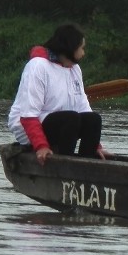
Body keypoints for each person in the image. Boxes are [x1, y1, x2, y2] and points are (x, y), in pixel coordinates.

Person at [8, 24, 107, 166]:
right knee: (71, 118)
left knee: (93, 119)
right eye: (81, 48)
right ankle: (64, 166)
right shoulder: (38, 66)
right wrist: (41, 146)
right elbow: (28, 115)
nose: (83, 53)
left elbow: (83, 107)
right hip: (30, 128)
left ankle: (88, 162)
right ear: (70, 48)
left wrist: (97, 146)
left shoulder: (75, 70)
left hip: (65, 124)